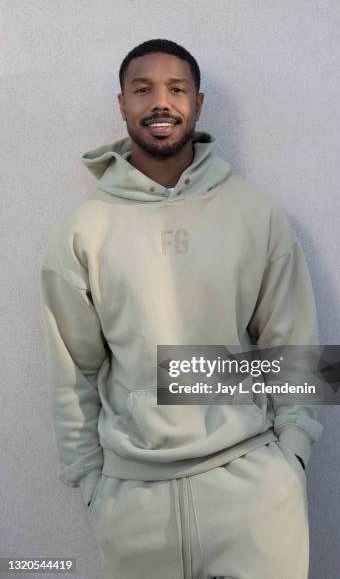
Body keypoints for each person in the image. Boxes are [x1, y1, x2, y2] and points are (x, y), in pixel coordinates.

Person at [40, 38, 323, 579]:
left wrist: (293, 456)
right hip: (133, 504)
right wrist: (92, 483)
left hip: (254, 490)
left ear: (198, 102)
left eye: (177, 88)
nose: (160, 103)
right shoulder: (83, 229)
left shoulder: (255, 213)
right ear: (122, 103)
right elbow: (72, 366)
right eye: (142, 89)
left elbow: (291, 346)